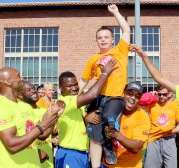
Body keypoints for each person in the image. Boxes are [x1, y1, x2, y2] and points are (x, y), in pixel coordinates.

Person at [79, 4, 131, 167]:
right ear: (96, 40)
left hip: (115, 97)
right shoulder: (93, 59)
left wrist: (115, 13)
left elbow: (127, 30)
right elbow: (85, 80)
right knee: (95, 131)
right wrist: (74, 98)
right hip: (99, 98)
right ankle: (95, 165)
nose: (103, 40)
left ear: (112, 39)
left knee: (109, 118)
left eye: (106, 37)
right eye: (100, 37)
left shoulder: (120, 51)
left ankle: (109, 146)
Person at [0, 67, 61, 167]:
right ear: (7, 82)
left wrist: (53, 116)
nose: (21, 78)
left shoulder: (25, 105)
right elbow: (12, 146)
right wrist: (42, 126)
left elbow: (41, 136)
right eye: (18, 76)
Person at [55, 59, 117, 168]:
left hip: (83, 155)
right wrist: (105, 73)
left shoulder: (79, 103)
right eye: (69, 86)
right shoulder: (63, 102)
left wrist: (86, 118)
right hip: (69, 154)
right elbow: (92, 94)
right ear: (60, 88)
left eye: (75, 84)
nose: (74, 88)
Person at [103, 81, 150, 168]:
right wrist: (90, 116)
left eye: (137, 96)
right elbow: (94, 116)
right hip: (107, 164)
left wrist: (116, 135)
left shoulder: (142, 117)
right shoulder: (114, 108)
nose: (133, 98)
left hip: (130, 165)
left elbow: (136, 147)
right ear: (123, 93)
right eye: (129, 93)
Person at [144, 84, 179, 168]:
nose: (162, 96)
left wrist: (172, 131)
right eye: (159, 94)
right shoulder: (152, 104)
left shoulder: (174, 106)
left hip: (169, 140)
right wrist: (150, 96)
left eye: (164, 94)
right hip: (153, 140)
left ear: (169, 94)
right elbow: (140, 108)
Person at [17, 81, 55, 167]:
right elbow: (41, 135)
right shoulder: (19, 111)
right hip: (30, 161)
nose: (33, 91)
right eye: (28, 90)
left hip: (47, 159)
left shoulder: (44, 110)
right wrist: (38, 152)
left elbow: (49, 133)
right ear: (19, 95)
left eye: (33, 88)